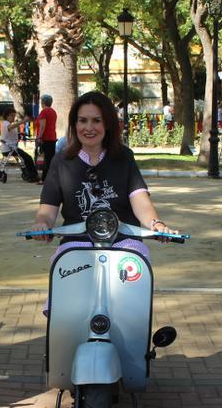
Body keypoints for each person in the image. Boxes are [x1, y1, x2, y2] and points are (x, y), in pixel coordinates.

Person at [30, 91, 177, 303]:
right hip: (76, 244)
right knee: (66, 289)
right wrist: (41, 224)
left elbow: (139, 199)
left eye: (96, 121)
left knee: (135, 274)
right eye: (82, 120)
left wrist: (156, 224)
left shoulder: (124, 157)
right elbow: (48, 209)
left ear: (107, 124)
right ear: (74, 124)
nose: (89, 128)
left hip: (123, 243)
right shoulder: (61, 161)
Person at [35, 94, 58, 182]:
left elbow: (42, 126)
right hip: (52, 137)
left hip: (45, 138)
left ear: (43, 102)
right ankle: (50, 177)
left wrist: (39, 137)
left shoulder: (44, 112)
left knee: (42, 159)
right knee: (50, 158)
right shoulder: (53, 111)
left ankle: (43, 178)